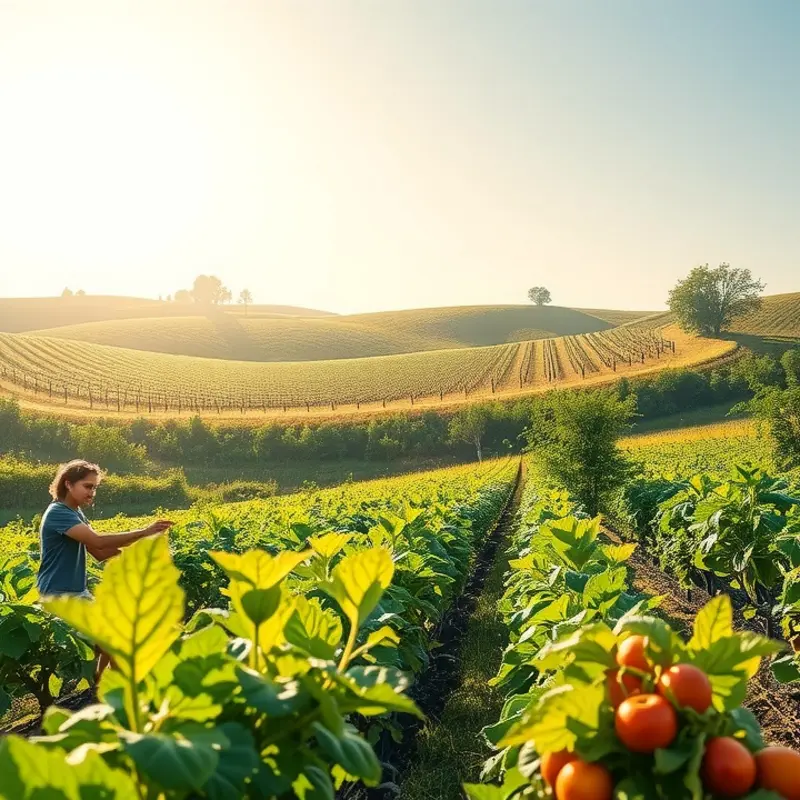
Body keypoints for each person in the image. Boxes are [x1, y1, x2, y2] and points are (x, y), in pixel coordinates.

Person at [37, 459, 174, 680]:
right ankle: (111, 689)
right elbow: (98, 541)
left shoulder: (75, 513)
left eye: (95, 488)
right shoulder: (58, 512)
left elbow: (98, 551)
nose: (92, 493)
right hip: (59, 594)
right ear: (68, 484)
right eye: (87, 486)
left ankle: (102, 686)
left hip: (77, 592)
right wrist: (143, 532)